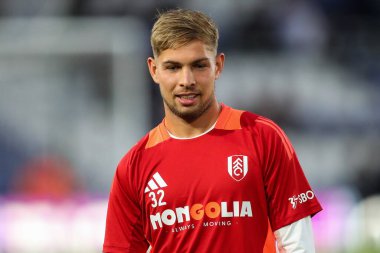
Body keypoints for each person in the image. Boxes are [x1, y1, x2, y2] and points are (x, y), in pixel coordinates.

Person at [103, 8, 322, 253]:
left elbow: (298, 244)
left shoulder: (262, 137)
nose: (187, 80)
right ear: (154, 70)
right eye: (173, 67)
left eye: (198, 66)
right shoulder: (134, 167)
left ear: (218, 66)